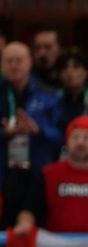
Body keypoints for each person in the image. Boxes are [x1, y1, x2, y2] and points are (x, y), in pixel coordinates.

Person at [2, 42, 64, 172]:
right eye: (9, 60)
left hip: (37, 167)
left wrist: (39, 131)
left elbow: (61, 135)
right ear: (2, 64)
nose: (14, 65)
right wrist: (5, 133)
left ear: (30, 62)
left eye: (18, 60)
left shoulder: (49, 95)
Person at [54, 48, 88, 128]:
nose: (69, 73)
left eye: (76, 67)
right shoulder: (54, 101)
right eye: (64, 68)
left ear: (86, 72)